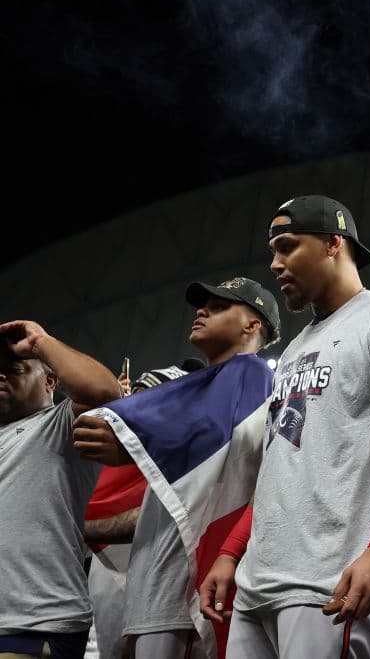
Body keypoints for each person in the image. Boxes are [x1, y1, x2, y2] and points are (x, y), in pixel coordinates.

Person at [198, 195, 370, 659]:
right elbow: (282, 461)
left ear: (334, 243)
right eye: (273, 251)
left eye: (287, 247)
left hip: (332, 578)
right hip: (258, 582)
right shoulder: (294, 349)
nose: (275, 264)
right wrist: (231, 553)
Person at [73, 277, 281, 659]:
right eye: (203, 306)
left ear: (253, 325)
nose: (201, 311)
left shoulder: (253, 375)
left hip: (188, 587)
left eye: (219, 307)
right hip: (152, 585)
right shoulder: (201, 391)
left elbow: (207, 432)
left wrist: (132, 427)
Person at [0, 320, 122, 658]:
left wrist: (40, 343)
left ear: (50, 380)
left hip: (34, 623)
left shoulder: (61, 424)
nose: (1, 375)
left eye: (14, 369)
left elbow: (105, 392)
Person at [84, 358, 205, 659]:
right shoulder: (111, 460)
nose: (140, 405)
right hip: (122, 573)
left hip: (175, 590)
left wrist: (73, 528)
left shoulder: (190, 455)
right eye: (137, 394)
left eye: (152, 397)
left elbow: (147, 519)